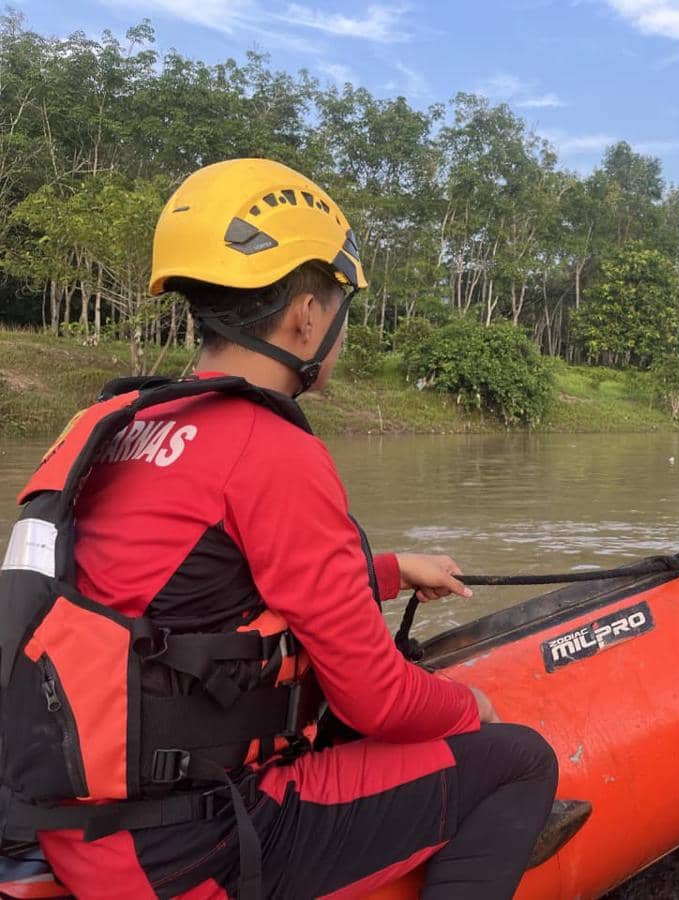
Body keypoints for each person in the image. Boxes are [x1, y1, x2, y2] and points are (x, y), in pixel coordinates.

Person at [0, 159, 557, 899]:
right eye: (339, 309)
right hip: (194, 844)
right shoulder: (271, 450)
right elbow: (377, 701)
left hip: (76, 819)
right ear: (306, 315)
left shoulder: (111, 424)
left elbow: (179, 597)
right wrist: (468, 707)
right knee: (520, 760)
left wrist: (388, 570)